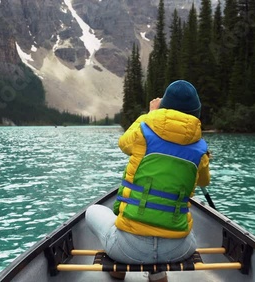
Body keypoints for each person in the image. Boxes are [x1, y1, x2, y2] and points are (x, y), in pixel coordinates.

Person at [85, 80, 211, 282]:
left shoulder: (142, 133)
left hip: (128, 249)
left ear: (163, 107)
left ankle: (118, 269)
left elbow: (123, 144)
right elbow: (204, 181)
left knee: (93, 212)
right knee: (171, 220)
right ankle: (158, 273)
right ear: (196, 113)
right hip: (179, 249)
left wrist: (151, 115)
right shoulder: (201, 150)